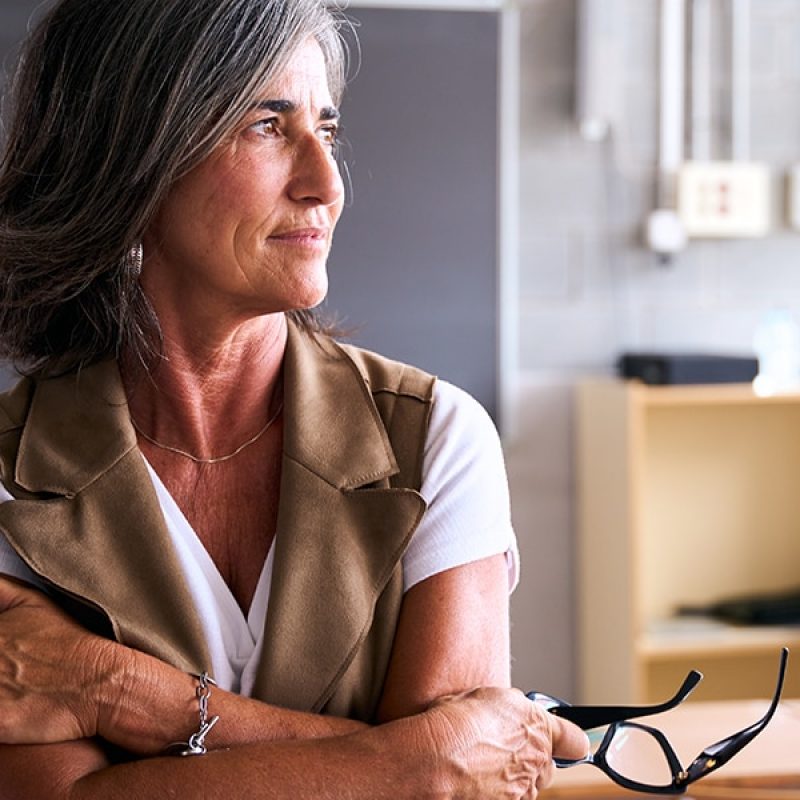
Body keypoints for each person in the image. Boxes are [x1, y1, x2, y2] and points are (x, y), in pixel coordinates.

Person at [0, 0, 588, 797]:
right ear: (133, 155)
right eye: (266, 126)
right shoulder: (11, 477)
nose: (326, 184)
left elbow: (463, 789)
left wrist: (121, 691)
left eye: (328, 130)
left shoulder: (437, 440)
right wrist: (405, 763)